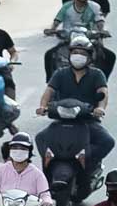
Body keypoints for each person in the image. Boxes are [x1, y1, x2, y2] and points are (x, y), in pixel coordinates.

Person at [36, 40, 114, 186]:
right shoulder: (60, 73)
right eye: (75, 52)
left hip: (87, 121)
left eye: (82, 53)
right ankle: (48, 171)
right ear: (69, 55)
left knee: (107, 141)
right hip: (62, 119)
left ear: (90, 57)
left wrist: (101, 108)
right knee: (40, 138)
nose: (78, 56)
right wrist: (42, 106)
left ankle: (88, 166)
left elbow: (103, 92)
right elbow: (49, 91)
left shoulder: (97, 74)